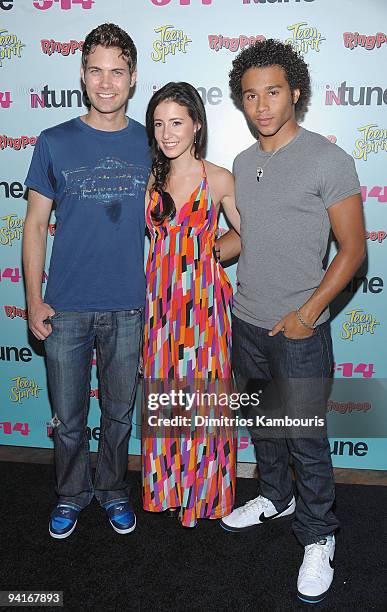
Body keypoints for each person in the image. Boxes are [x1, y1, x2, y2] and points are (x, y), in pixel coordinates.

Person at [217, 40, 365, 603]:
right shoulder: (243, 163)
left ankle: (319, 534)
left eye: (272, 91)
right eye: (251, 95)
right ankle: (275, 497)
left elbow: (353, 251)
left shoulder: (329, 160)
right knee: (265, 428)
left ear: (295, 92)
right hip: (246, 320)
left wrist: (307, 315)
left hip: (299, 328)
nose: (261, 105)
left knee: (306, 437)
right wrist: (194, 247)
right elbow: (244, 238)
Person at [23, 23, 150, 539]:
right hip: (66, 306)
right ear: (81, 74)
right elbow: (34, 226)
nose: (105, 82)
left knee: (119, 414)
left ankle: (114, 489)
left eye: (116, 71)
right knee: (69, 418)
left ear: (132, 78)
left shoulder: (153, 141)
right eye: (96, 70)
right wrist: (32, 299)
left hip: (128, 305)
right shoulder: (54, 142)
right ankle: (72, 494)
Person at [141, 82, 240, 527]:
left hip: (203, 304)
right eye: (159, 124)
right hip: (161, 302)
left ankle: (201, 497)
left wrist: (209, 254)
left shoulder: (217, 177)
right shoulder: (150, 177)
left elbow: (247, 234)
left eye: (176, 122)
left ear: (196, 125)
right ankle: (170, 489)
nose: (167, 133)